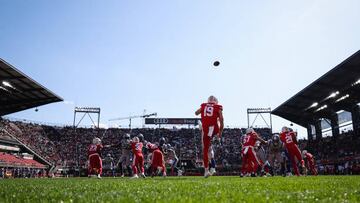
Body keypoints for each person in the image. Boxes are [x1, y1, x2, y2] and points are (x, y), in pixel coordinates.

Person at [195, 95, 224, 178]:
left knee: (205, 149)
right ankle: (215, 138)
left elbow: (196, 113)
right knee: (209, 148)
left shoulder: (204, 105)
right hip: (214, 128)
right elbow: (222, 120)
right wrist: (220, 133)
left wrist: (203, 114)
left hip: (206, 128)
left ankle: (206, 170)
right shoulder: (218, 106)